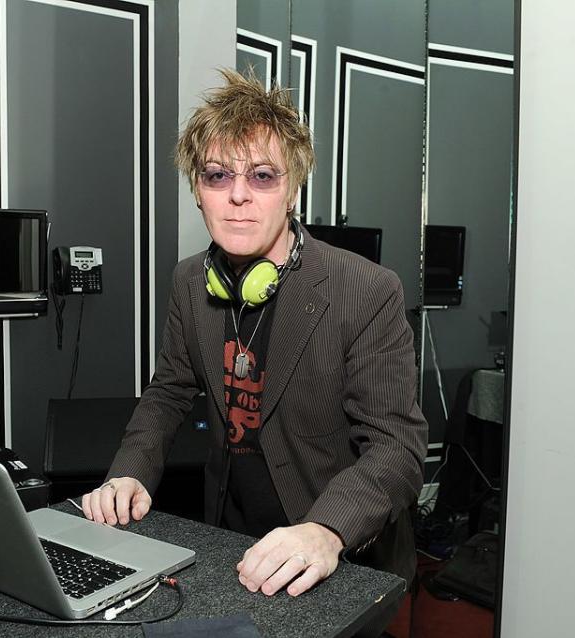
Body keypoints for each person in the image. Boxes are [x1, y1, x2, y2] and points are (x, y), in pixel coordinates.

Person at [81, 69, 427, 634]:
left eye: (263, 176)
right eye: (218, 175)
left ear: (292, 189)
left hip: (337, 554)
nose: (238, 195)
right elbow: (168, 391)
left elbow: (398, 448)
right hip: (232, 540)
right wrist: (130, 473)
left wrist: (327, 531)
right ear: (197, 189)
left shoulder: (367, 290)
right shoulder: (191, 282)